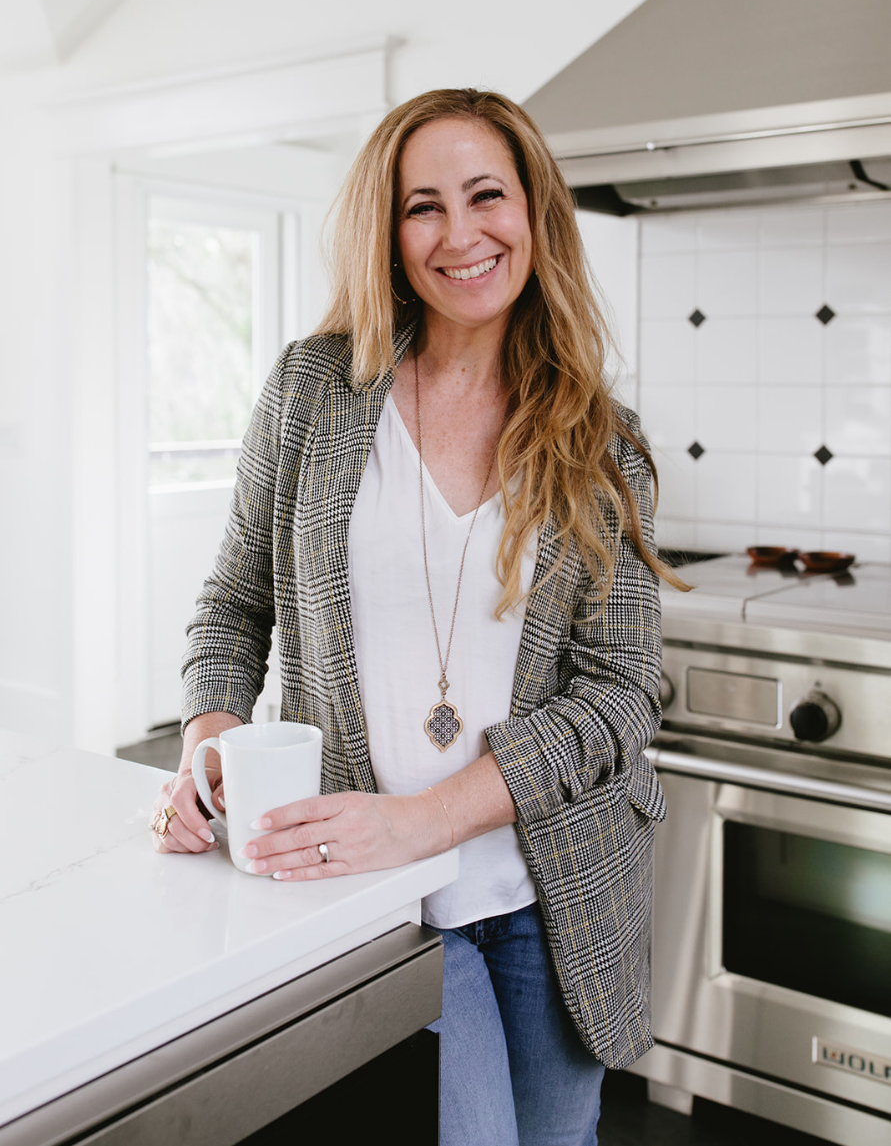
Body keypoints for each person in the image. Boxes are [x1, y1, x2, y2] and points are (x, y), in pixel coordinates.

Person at [150, 87, 681, 1145]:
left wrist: (429, 817)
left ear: (534, 213)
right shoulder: (314, 390)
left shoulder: (600, 438)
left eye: (487, 195)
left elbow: (623, 691)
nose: (460, 233)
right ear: (387, 233)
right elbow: (233, 599)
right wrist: (209, 730)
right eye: (421, 205)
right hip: (373, 898)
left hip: (555, 890)